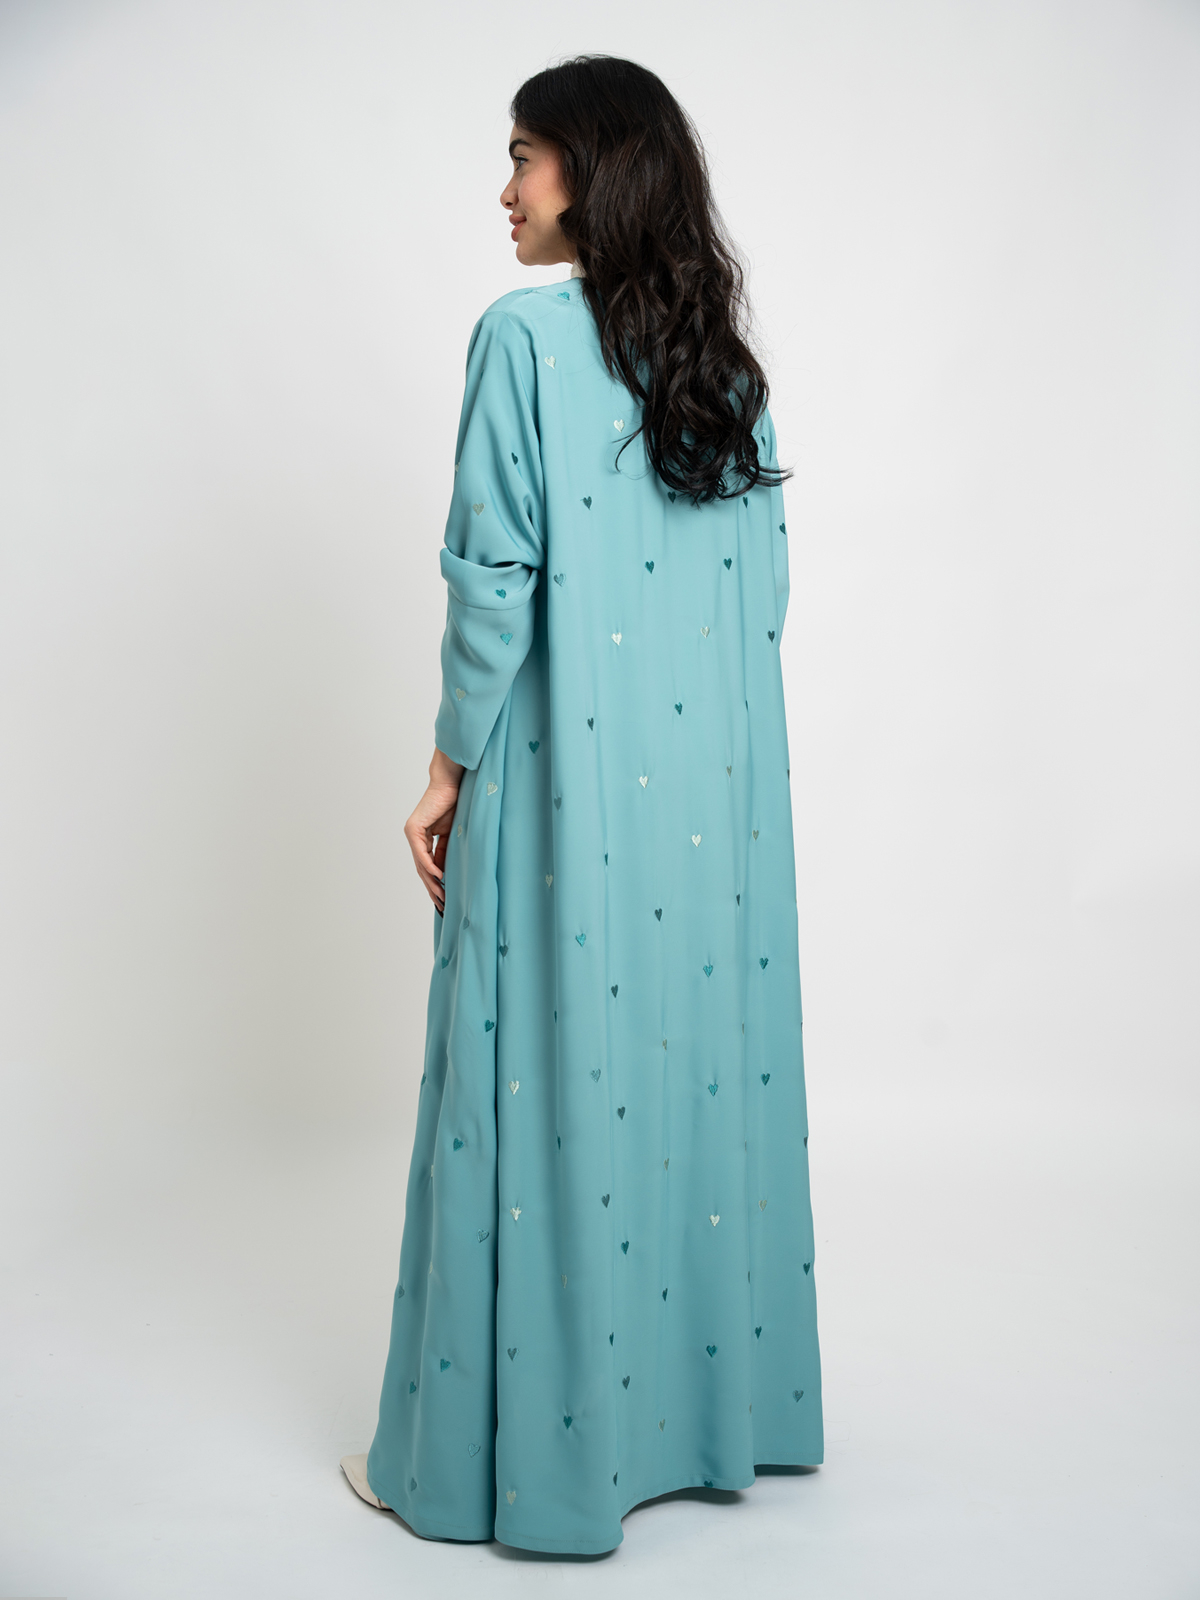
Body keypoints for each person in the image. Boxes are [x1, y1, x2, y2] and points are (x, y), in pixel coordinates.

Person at [340, 54, 823, 1556]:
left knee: (533, 1080)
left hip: (564, 789)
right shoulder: (725, 368)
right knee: (690, 1084)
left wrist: (446, 767)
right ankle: (706, 1427)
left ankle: (492, 1469)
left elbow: (496, 577)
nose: (506, 189)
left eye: (526, 157)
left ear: (594, 172)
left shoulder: (523, 338)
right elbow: (764, 598)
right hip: (713, 801)